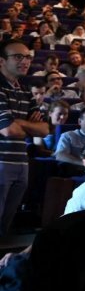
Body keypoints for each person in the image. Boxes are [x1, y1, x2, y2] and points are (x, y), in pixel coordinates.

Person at [1, 40, 49, 235]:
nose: (25, 61)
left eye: (28, 57)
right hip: (2, 163)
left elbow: (45, 130)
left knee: (5, 226)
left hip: (21, 163)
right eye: (18, 57)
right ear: (2, 61)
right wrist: (27, 125)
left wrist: (20, 122)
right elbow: (9, 130)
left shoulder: (24, 91)